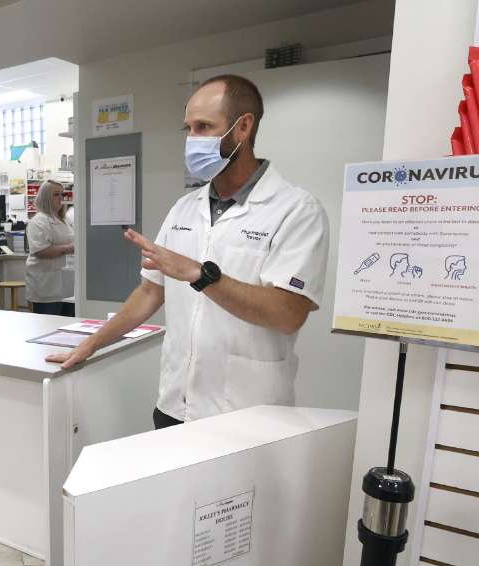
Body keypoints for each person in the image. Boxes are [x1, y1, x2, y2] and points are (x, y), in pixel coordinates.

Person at [49, 75, 329, 429]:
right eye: (188, 128)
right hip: (174, 405)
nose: (192, 140)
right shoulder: (184, 208)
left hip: (246, 413)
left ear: (243, 128)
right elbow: (150, 291)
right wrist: (92, 344)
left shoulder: (296, 210)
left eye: (204, 127)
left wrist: (201, 275)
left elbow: (288, 313)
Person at [25, 180, 76, 316]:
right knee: (47, 326)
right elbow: (41, 251)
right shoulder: (38, 221)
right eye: (56, 194)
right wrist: (69, 248)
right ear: (45, 197)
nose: (61, 198)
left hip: (65, 285)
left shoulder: (64, 220)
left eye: (62, 194)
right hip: (46, 285)